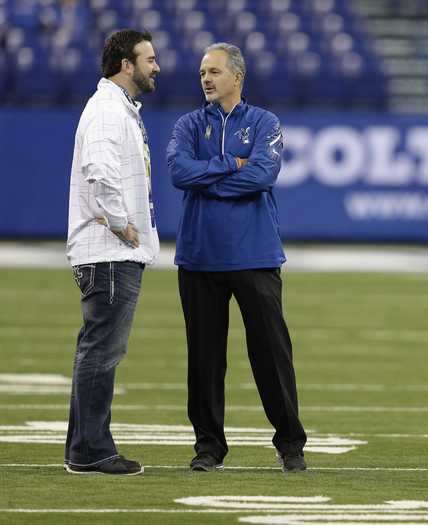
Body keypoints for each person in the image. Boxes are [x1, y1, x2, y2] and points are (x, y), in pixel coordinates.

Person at [167, 43, 307, 473]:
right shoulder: (188, 124)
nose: (205, 79)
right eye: (202, 72)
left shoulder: (265, 121)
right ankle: (208, 448)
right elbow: (177, 172)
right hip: (200, 257)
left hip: (255, 255)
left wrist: (208, 176)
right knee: (204, 359)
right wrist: (231, 165)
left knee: (271, 354)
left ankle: (290, 446)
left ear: (237, 77)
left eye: (213, 71)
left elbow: (263, 174)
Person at [64, 29, 160, 475]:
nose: (155, 66)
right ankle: (92, 450)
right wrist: (122, 225)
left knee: (97, 349)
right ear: (126, 64)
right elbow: (98, 172)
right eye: (149, 58)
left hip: (108, 250)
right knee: (102, 351)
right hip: (107, 250)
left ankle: (84, 446)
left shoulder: (115, 108)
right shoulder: (106, 109)